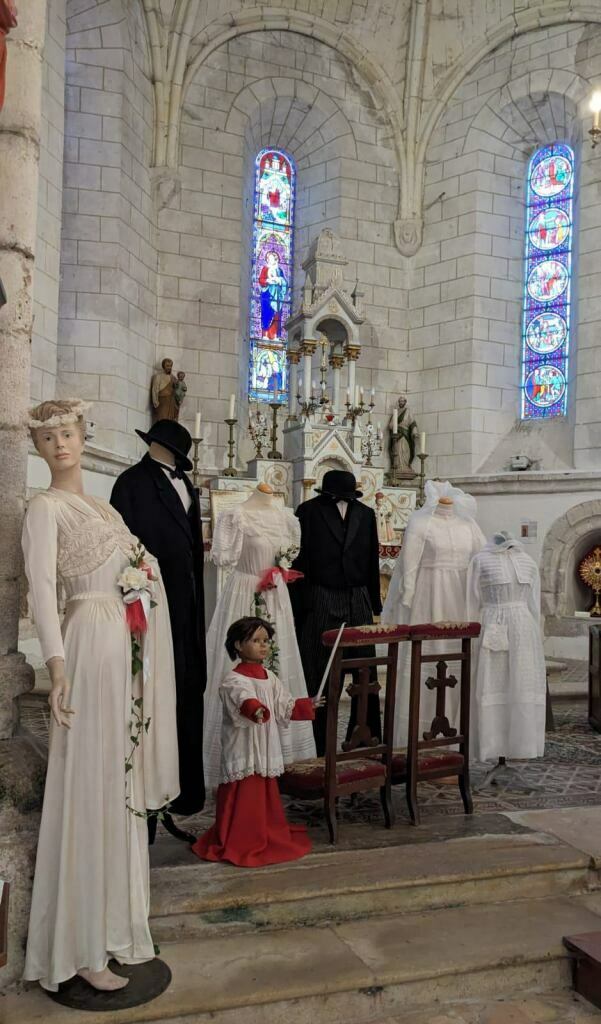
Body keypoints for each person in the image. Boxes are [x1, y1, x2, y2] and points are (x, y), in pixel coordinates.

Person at [22, 399, 179, 993]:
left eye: (67, 433)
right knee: (88, 785)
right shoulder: (45, 507)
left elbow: (138, 570)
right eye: (46, 439)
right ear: (37, 448)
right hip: (86, 647)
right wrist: (56, 666)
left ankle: (114, 928)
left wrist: (143, 588)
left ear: (84, 436)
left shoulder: (107, 509)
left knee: (116, 787)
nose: (59, 445)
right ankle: (79, 947)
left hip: (123, 656)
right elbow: (41, 588)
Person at [111, 419, 206, 839]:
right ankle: (144, 795)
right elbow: (120, 548)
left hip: (185, 605)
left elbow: (193, 552)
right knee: (151, 694)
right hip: (149, 604)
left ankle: (184, 789)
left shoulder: (189, 485)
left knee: (187, 690)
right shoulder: (130, 484)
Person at [203, 484, 315, 795]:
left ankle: (279, 758)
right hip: (245, 591)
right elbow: (223, 558)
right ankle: (236, 759)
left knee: (278, 666)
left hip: (276, 597)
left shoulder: (287, 519)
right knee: (238, 665)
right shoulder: (236, 516)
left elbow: (288, 558)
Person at [192, 617, 321, 868]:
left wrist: (307, 704)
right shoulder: (233, 679)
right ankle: (239, 837)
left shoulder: (269, 677)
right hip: (243, 747)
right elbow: (241, 698)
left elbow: (284, 704)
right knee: (241, 792)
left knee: (264, 791)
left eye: (266, 641)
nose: (263, 646)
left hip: (263, 746)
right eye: (256, 640)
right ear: (238, 645)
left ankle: (266, 831)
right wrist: (255, 709)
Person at [381, 480, 486, 745]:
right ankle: (417, 736)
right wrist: (407, 594)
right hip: (429, 597)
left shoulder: (469, 525)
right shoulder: (420, 523)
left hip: (461, 599)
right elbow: (409, 565)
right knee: (428, 659)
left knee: (456, 661)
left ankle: (455, 737)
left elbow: (482, 561)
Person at [292, 470, 382, 755]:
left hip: (358, 597)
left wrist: (373, 603)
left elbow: (371, 557)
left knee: (364, 673)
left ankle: (364, 740)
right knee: (317, 672)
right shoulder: (308, 511)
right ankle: (315, 746)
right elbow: (299, 556)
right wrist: (300, 605)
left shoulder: (366, 514)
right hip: (321, 595)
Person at [468, 532, 546, 761]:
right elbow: (471, 600)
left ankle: (520, 745)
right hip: (492, 623)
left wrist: (537, 635)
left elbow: (534, 602)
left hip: (523, 629)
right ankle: (491, 747)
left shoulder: (528, 561)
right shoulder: (480, 560)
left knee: (521, 684)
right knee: (492, 683)